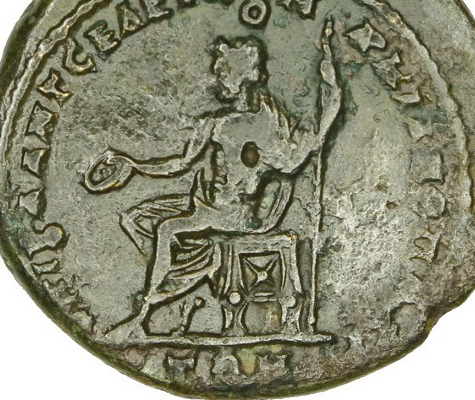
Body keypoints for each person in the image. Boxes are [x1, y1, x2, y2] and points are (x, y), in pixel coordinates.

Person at [83, 18, 342, 334]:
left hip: (233, 214)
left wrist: (330, 94)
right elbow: (179, 164)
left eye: (223, 73)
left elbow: (295, 159)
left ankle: (146, 311)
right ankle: (185, 271)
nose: (218, 79)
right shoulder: (216, 123)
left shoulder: (266, 126)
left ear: (240, 77)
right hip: (204, 205)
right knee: (135, 218)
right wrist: (135, 165)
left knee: (166, 229)